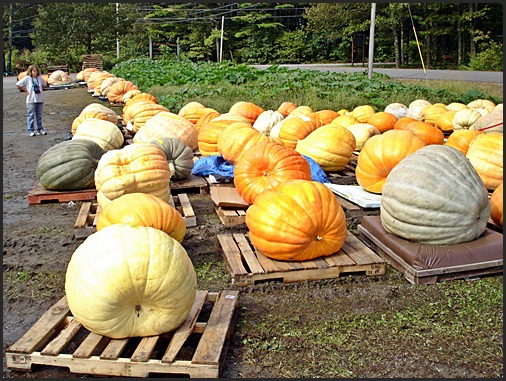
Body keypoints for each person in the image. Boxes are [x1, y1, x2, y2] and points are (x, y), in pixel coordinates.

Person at [16, 64, 48, 136]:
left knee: (39, 115)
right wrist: (26, 90)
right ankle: (31, 130)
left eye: (36, 71)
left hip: (39, 99)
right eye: (34, 71)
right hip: (31, 99)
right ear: (30, 72)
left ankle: (40, 129)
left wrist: (41, 90)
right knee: (31, 115)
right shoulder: (27, 78)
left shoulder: (40, 78)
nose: (35, 72)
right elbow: (18, 84)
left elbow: (45, 84)